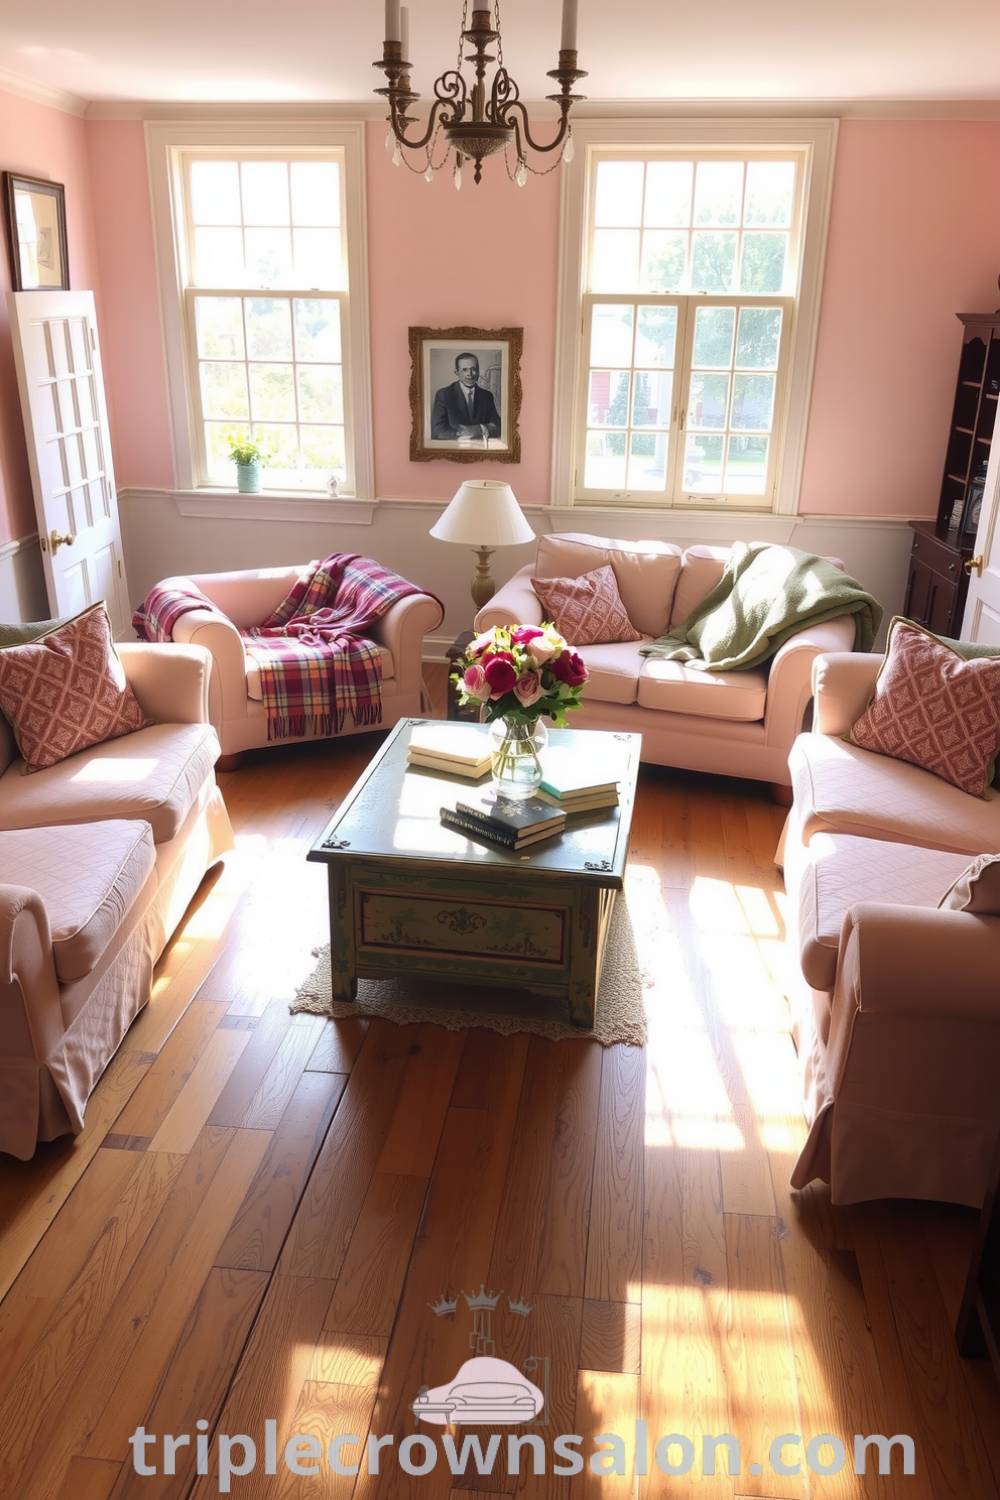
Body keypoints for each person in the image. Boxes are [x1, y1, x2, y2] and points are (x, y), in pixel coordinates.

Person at [431, 352, 501, 441]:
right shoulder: (443, 395)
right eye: (464, 370)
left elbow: (498, 427)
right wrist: (463, 435)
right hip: (455, 448)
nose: (470, 373)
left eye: (473, 369)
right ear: (456, 372)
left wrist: (477, 429)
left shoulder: (487, 396)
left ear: (479, 371)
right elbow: (437, 431)